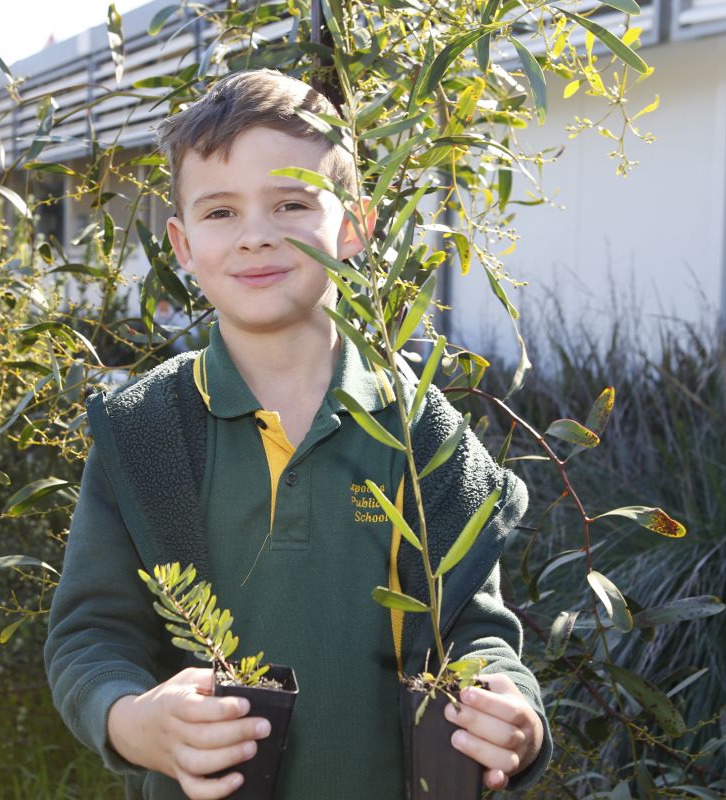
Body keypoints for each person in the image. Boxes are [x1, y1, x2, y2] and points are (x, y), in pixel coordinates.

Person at [45, 69, 552, 800]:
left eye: (291, 202)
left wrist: (514, 715)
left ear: (354, 226)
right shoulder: (145, 430)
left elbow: (476, 631)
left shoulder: (422, 433)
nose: (255, 235)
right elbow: (90, 637)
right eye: (221, 212)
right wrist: (132, 720)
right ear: (182, 246)